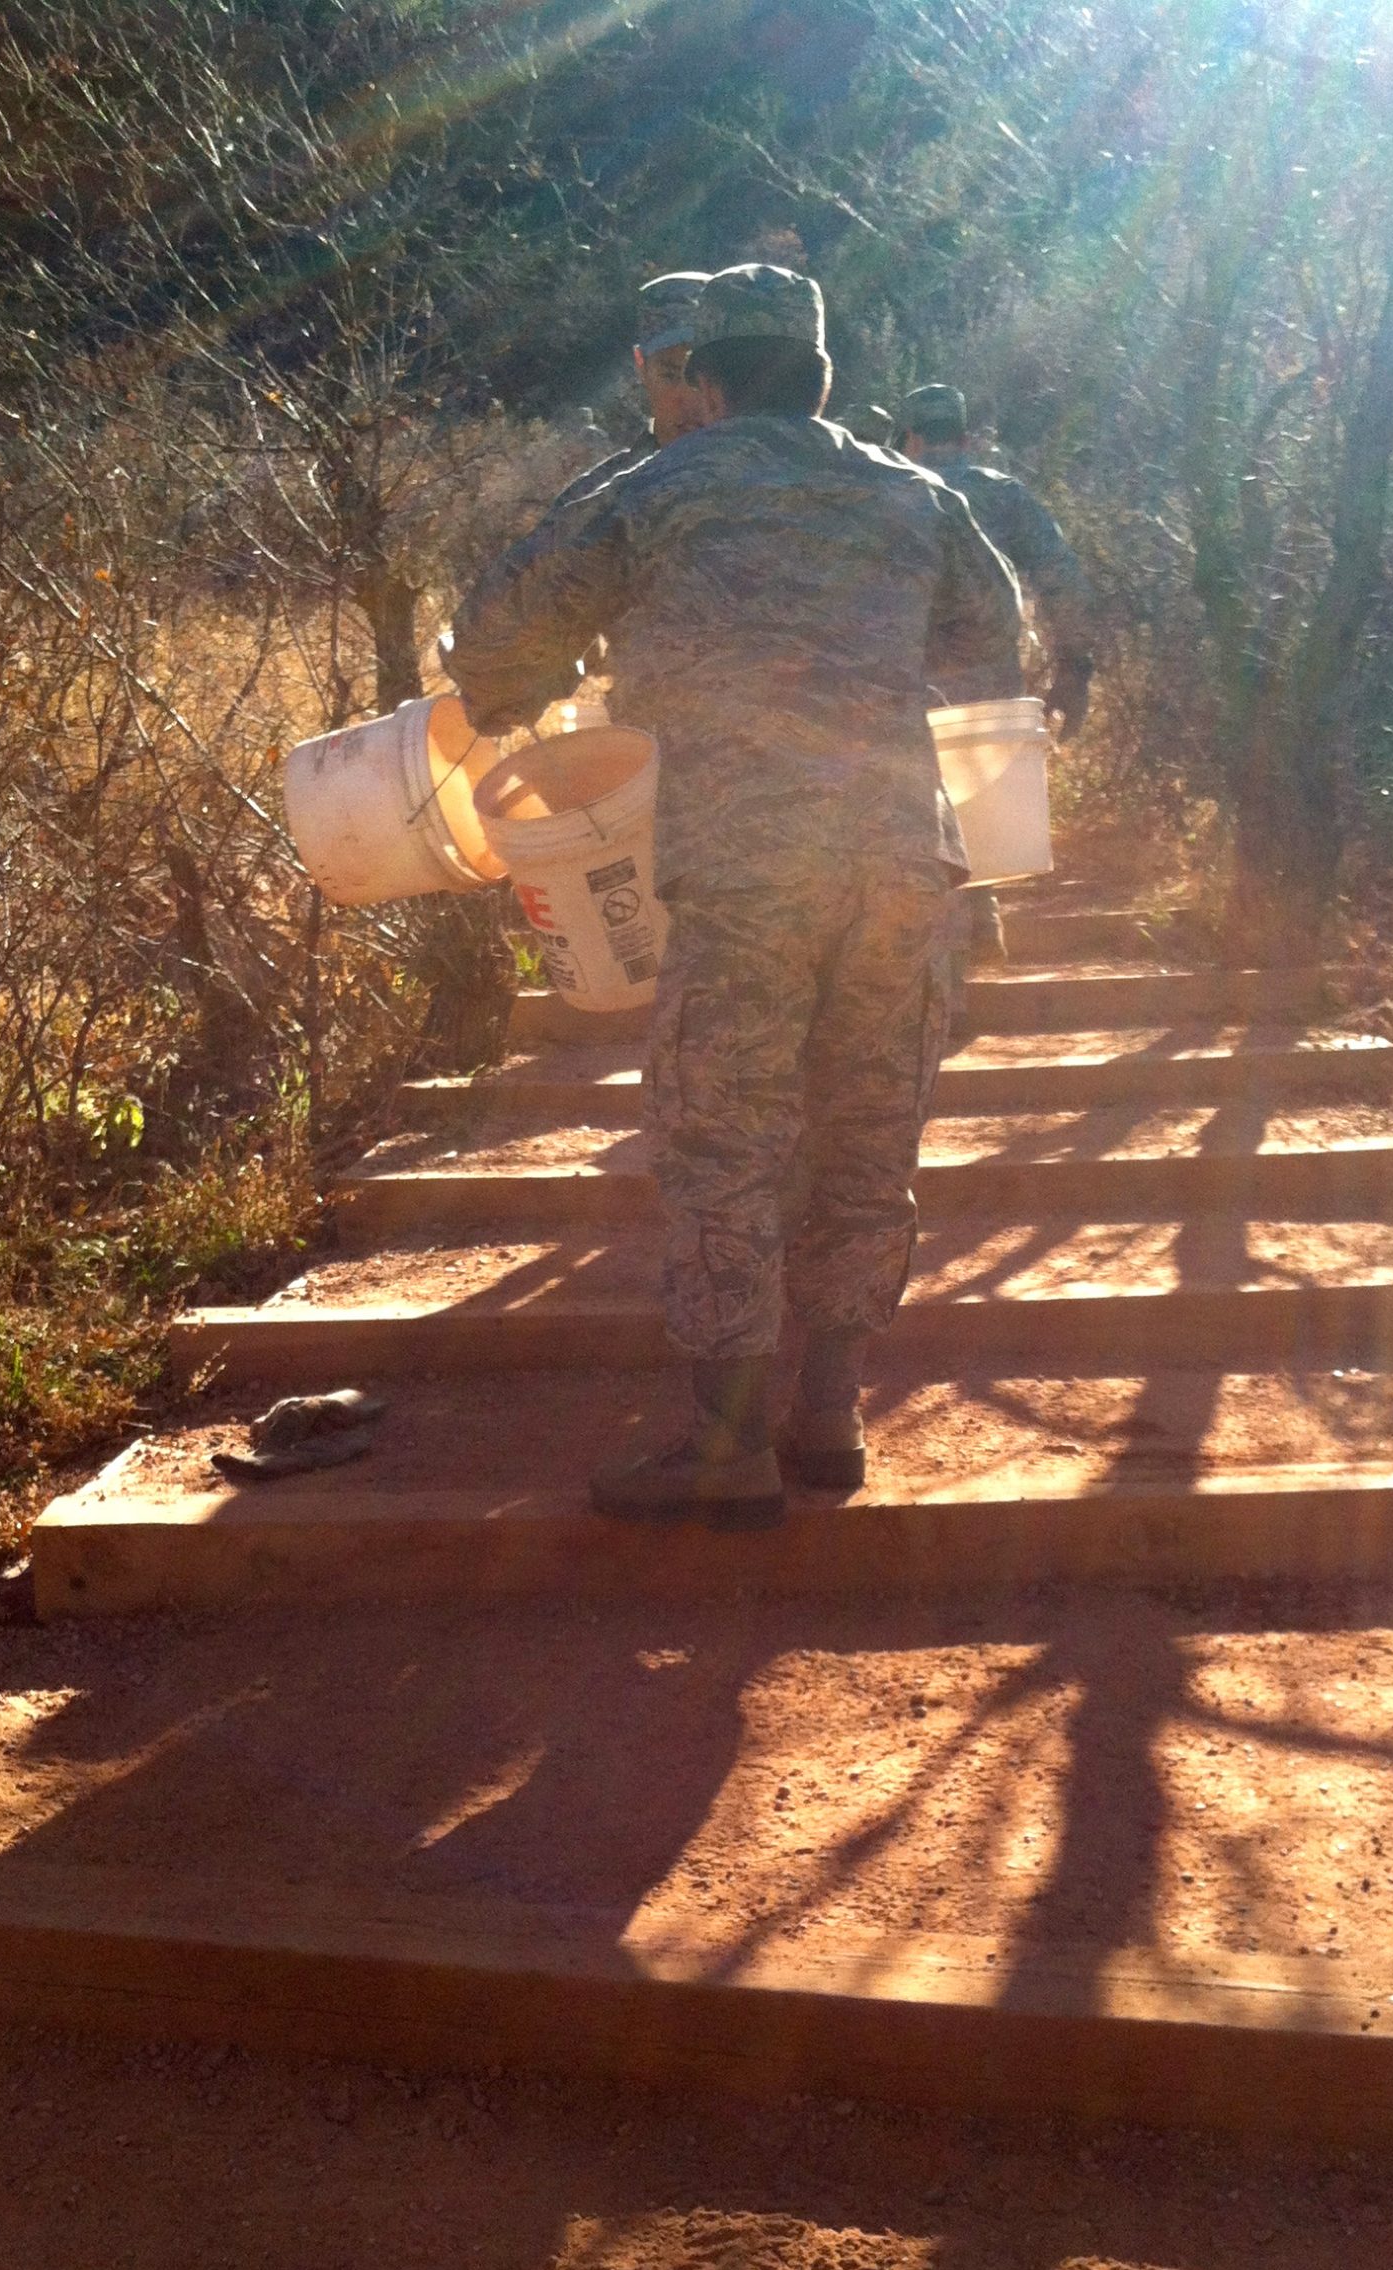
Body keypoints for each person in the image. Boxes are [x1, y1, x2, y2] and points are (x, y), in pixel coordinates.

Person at [444, 265, 1021, 1527]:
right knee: (868, 1135)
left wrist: (525, 688)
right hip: (900, 867)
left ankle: (725, 1445)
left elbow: (494, 635)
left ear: (706, 380)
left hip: (746, 869)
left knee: (725, 1139)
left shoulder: (654, 487)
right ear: (821, 380)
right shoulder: (914, 491)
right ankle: (829, 1417)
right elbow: (994, 645)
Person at [897, 381, 1099, 965]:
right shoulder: (1005, 496)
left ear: (909, 438)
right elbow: (1064, 581)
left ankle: (942, 956)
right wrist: (1074, 671)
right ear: (965, 438)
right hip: (989, 689)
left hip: (906, 684)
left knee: (916, 824)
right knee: (978, 809)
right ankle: (980, 929)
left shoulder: (894, 490)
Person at [547, 271, 711, 513]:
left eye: (703, 379)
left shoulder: (771, 487)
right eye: (670, 376)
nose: (689, 398)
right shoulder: (586, 506)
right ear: (641, 367)